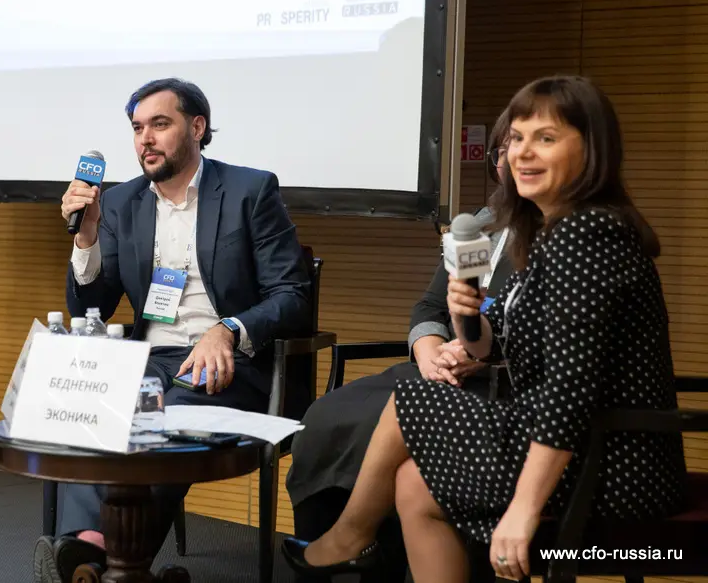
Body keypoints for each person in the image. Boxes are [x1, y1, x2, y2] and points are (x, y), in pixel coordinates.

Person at [281, 75, 688, 583]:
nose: (523, 153)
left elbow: (570, 392)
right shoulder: (552, 233)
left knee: (413, 399)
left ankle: (350, 536)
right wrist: (466, 316)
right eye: (516, 138)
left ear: (592, 149)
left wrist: (523, 510)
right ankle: (352, 538)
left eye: (545, 138)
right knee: (413, 484)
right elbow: (494, 342)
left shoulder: (586, 235)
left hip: (617, 464)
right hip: (585, 446)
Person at [34, 78, 313, 583]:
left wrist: (228, 329)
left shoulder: (249, 191)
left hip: (229, 367)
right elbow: (91, 307)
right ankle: (93, 554)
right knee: (93, 409)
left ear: (197, 127)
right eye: (137, 127)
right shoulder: (121, 202)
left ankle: (94, 560)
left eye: (160, 124)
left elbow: (292, 294)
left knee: (159, 422)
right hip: (146, 361)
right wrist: (87, 236)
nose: (145, 138)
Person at [285, 120, 513, 581]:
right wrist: (429, 351)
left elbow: (523, 334)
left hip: (499, 382)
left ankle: (371, 549)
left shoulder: (562, 238)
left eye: (531, 143)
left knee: (393, 419)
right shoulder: (482, 225)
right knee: (328, 415)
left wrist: (478, 352)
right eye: (503, 150)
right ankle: (343, 555)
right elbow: (431, 305)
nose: (512, 159)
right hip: (439, 367)